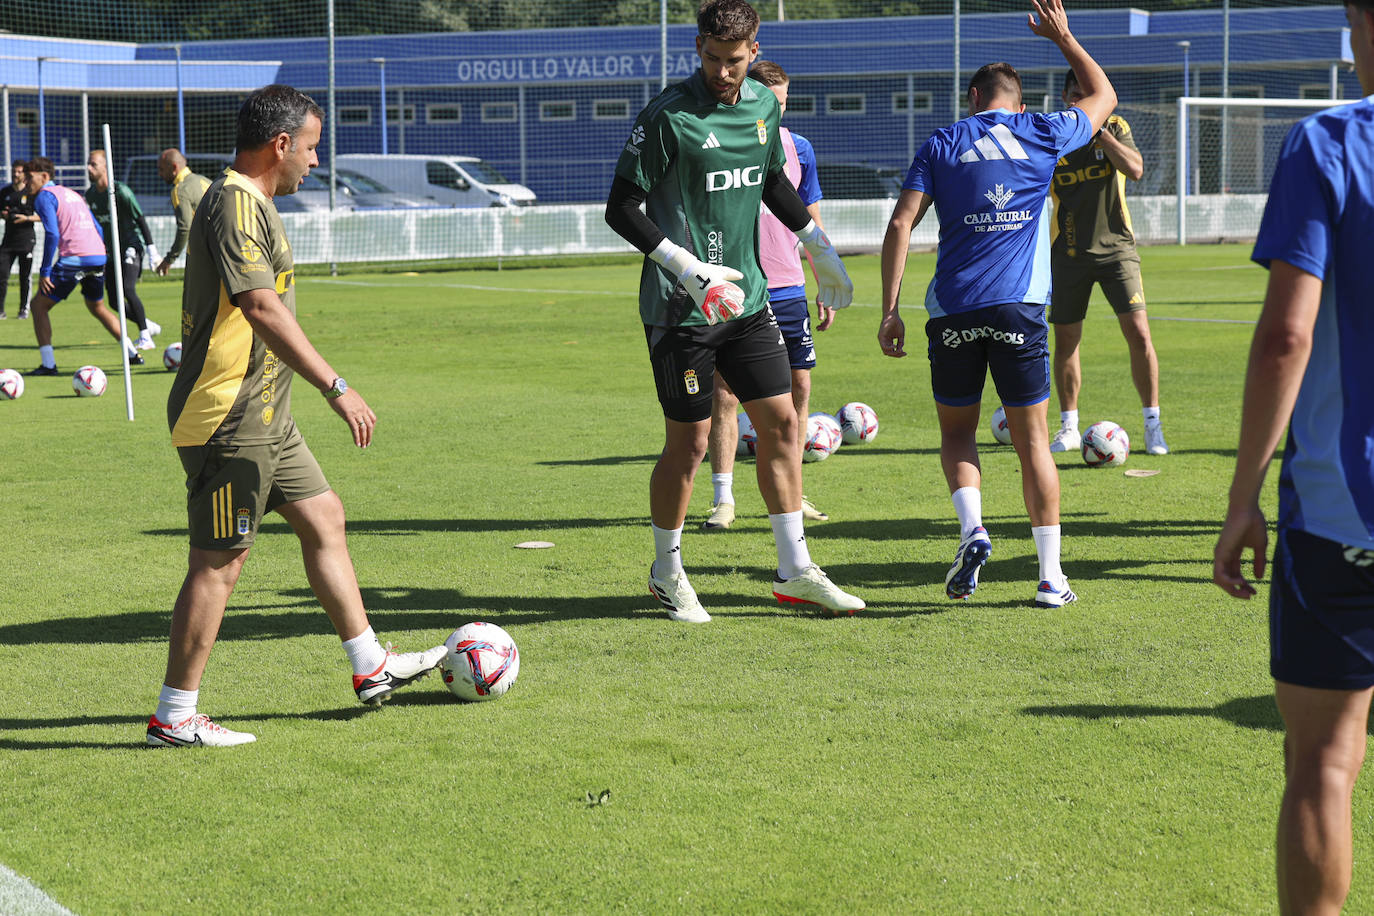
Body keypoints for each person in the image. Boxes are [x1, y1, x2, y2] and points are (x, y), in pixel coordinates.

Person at [147, 84, 444, 748]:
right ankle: (174, 715)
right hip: (229, 416)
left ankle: (371, 667)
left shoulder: (252, 202)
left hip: (267, 418)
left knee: (324, 516)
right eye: (311, 147)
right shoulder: (231, 205)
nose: (315, 161)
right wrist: (336, 386)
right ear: (280, 144)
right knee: (220, 563)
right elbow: (260, 307)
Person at [604, 0, 864, 622]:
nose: (725, 73)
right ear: (699, 47)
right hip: (680, 309)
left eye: (737, 61)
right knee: (689, 443)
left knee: (780, 424)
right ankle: (667, 572)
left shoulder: (761, 107)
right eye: (715, 59)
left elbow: (774, 182)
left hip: (747, 302)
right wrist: (686, 268)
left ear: (755, 51)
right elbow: (621, 208)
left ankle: (795, 569)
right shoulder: (668, 115)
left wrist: (819, 247)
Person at [1213, 2, 1374, 909]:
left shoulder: (1329, 142)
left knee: (1323, 762)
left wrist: (1243, 497)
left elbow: (1286, 336)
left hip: (1342, 509)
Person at [878, 0, 1116, 607]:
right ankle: (1050, 578)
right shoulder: (1043, 130)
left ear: (973, 98)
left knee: (957, 433)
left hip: (953, 310)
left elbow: (902, 224)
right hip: (1018, 310)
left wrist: (890, 309)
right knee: (1034, 441)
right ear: (1016, 98)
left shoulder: (942, 141)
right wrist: (1063, 37)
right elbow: (1103, 96)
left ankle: (972, 529)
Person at [702, 59, 834, 531]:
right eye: (771, 103)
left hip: (788, 286)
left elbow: (811, 218)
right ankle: (723, 498)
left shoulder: (799, 148)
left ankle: (793, 494)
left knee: (799, 387)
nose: (778, 111)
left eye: (783, 103)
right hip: (735, 289)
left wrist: (824, 277)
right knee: (726, 393)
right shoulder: (722, 142)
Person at [1047, 68, 1168, 457]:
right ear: (1067, 99)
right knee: (1066, 341)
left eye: (1090, 95)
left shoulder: (1115, 126)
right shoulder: (1052, 136)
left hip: (1118, 249)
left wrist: (1098, 132)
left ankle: (1153, 425)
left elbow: (1135, 169)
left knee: (1140, 334)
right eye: (1078, 96)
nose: (1084, 101)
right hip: (1067, 253)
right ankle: (1068, 426)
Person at [24, 156, 144, 376]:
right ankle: (132, 354)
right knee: (96, 306)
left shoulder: (44, 196)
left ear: (45, 176)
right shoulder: (72, 193)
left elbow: (52, 233)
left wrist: (45, 271)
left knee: (38, 306)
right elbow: (97, 226)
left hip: (74, 258)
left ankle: (48, 365)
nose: (26, 183)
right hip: (98, 256)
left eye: (30, 178)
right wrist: (101, 252)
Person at [85, 149, 162, 350]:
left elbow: (140, 219)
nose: (88, 168)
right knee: (112, 300)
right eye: (88, 163)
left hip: (131, 247)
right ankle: (146, 323)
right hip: (110, 253)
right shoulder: (91, 195)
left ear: (105, 166)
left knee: (127, 289)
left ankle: (145, 337)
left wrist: (153, 251)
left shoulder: (121, 192)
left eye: (93, 164)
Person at [155, 148, 212, 276]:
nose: (159, 174)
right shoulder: (204, 180)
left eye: (161, 169)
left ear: (174, 167)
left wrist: (169, 259)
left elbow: (185, 227)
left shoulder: (179, 190)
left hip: (208, 252)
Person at [0, 160, 38, 320]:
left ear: (25, 174)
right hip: (8, 241)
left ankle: (24, 309)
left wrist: (27, 218)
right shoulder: (5, 192)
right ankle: (1, 310)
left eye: (19, 172)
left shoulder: (32, 193)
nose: (16, 174)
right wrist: (4, 215)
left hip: (26, 241)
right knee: (2, 275)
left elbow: (42, 216)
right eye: (14, 171)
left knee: (25, 276)